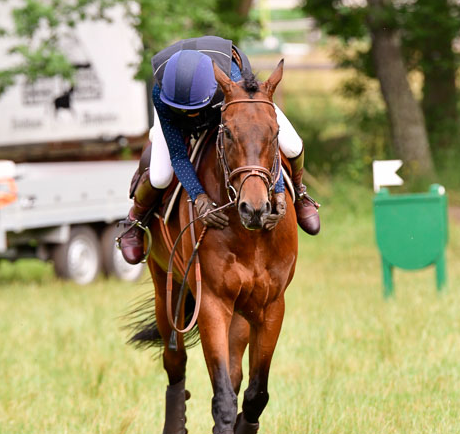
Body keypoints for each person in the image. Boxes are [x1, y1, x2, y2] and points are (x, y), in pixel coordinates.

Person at [119, 36, 320, 265]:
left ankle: (300, 193)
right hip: (179, 109)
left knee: (292, 145)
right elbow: (178, 154)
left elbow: (256, 140)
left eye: (194, 110)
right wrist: (199, 197)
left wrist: (279, 190)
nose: (191, 115)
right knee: (160, 176)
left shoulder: (234, 80)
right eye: (186, 111)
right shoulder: (162, 94)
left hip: (235, 105)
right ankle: (135, 220)